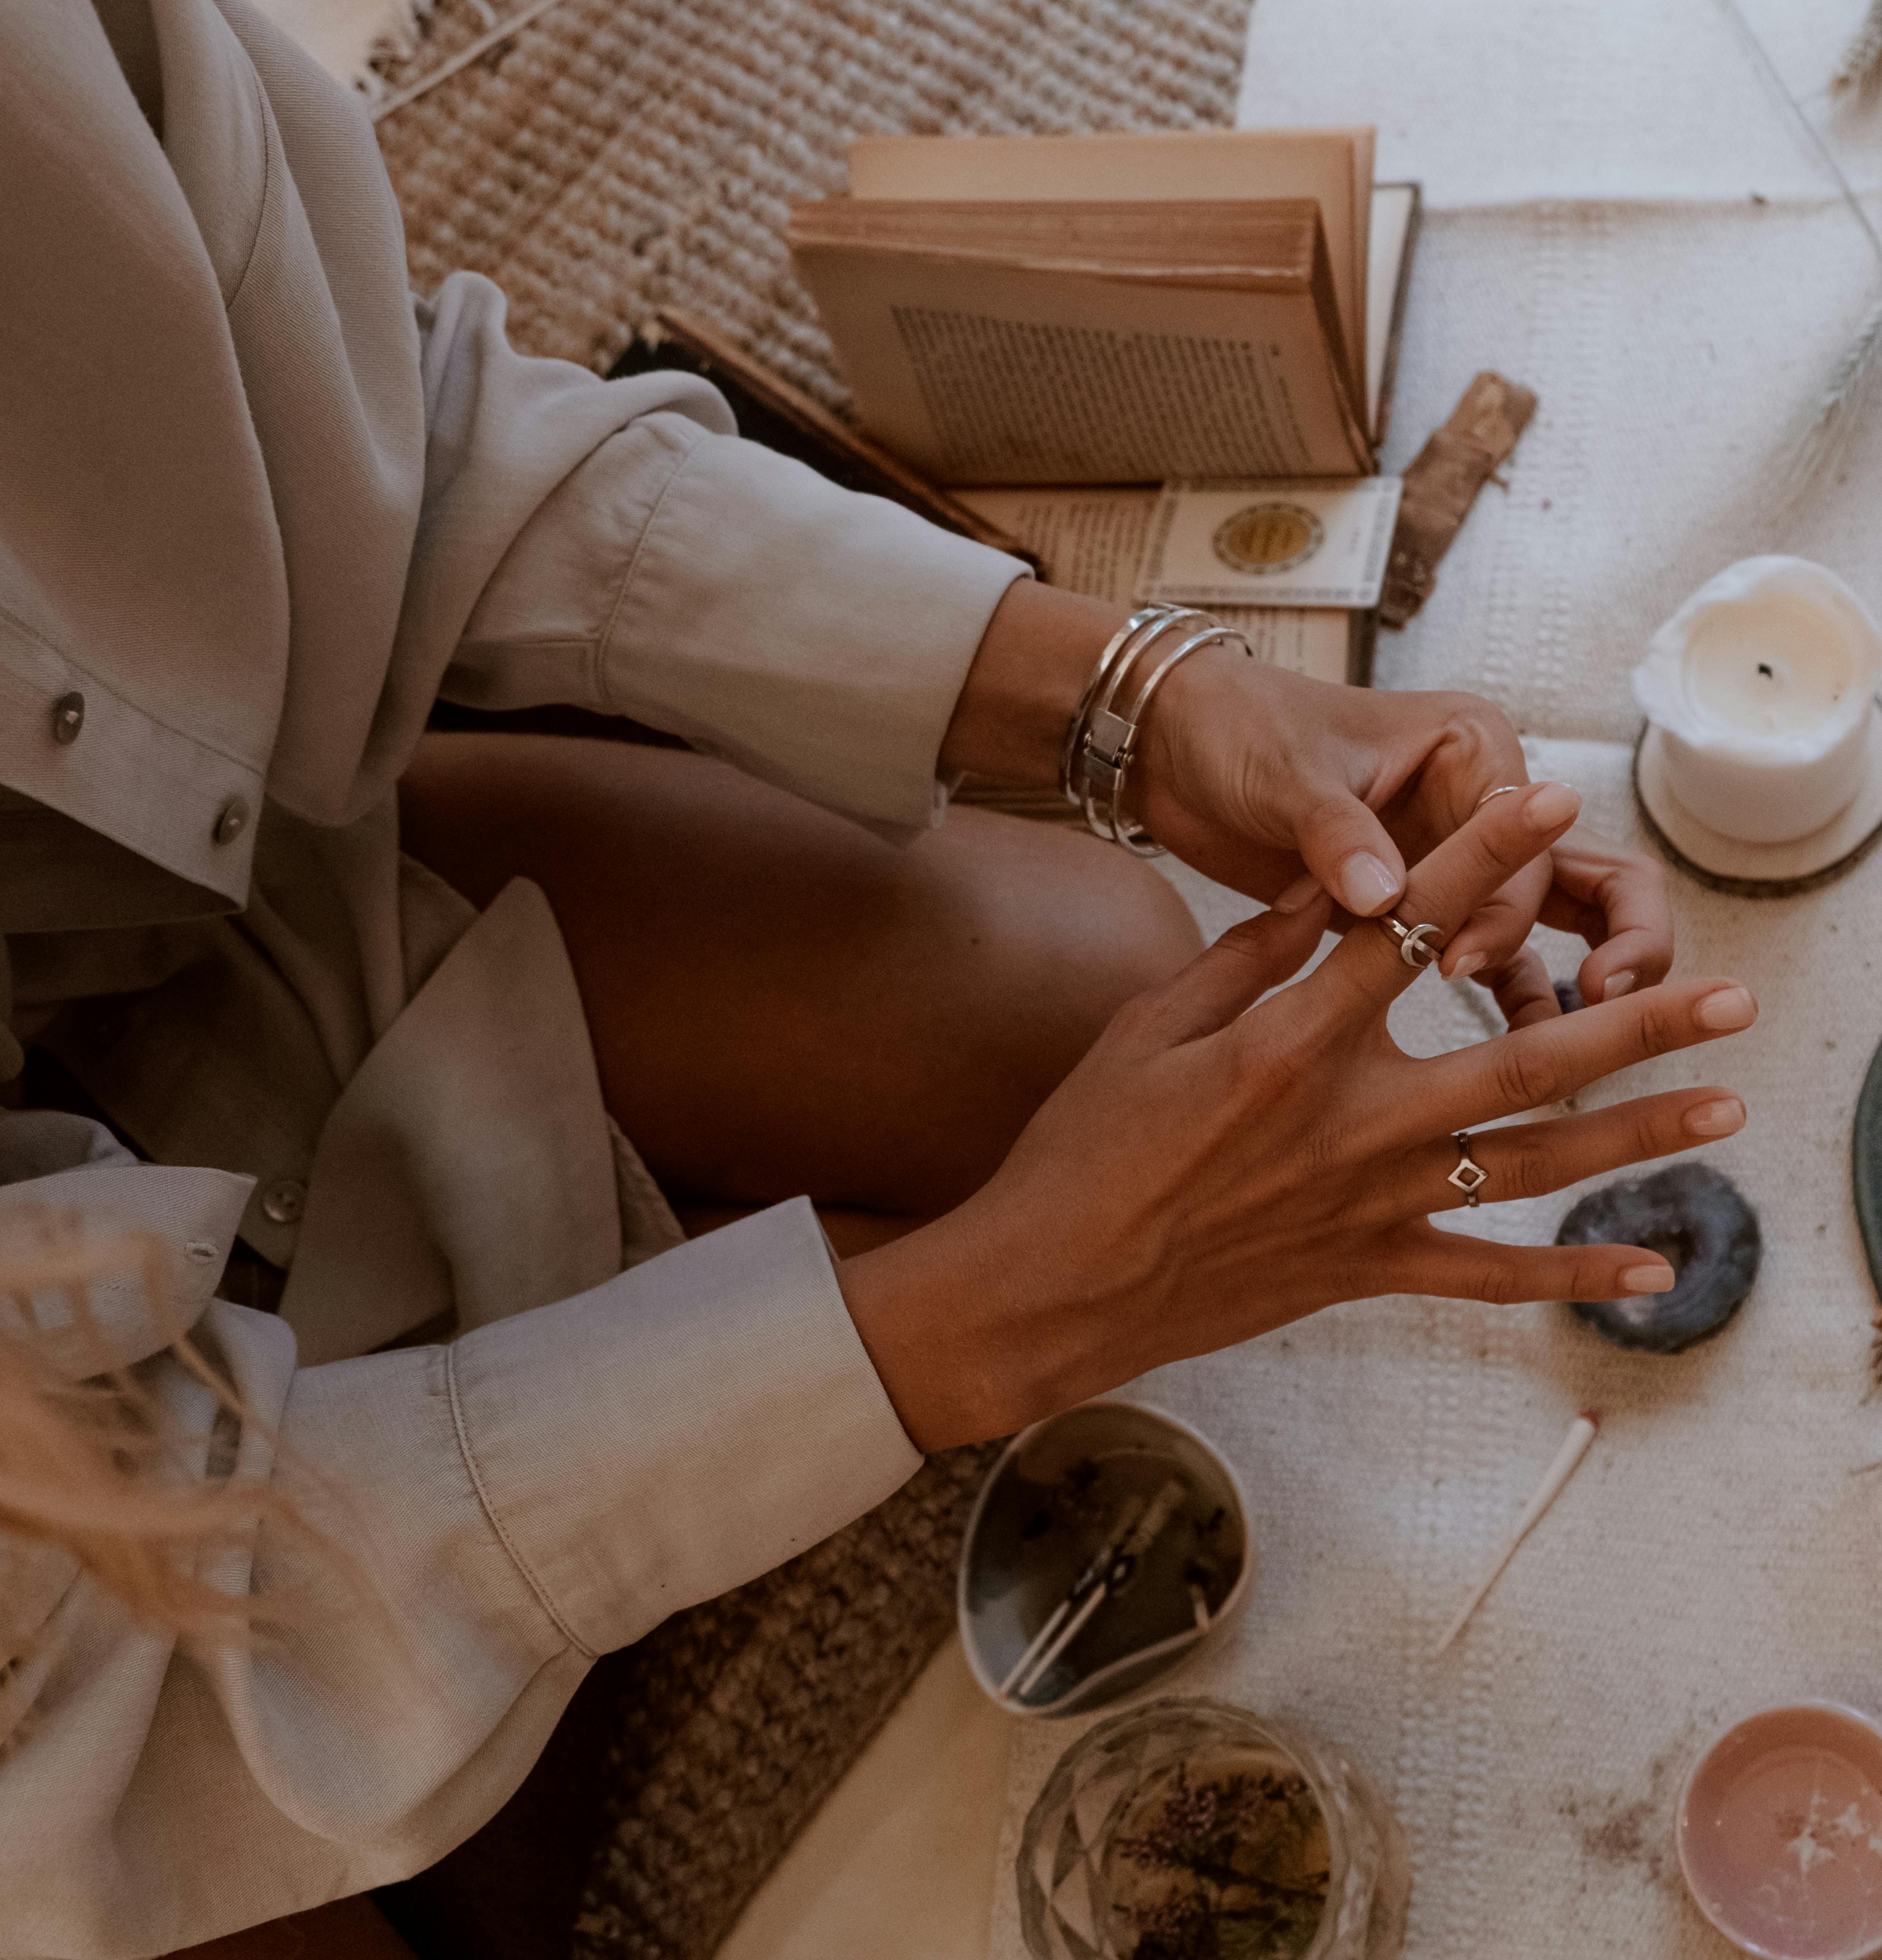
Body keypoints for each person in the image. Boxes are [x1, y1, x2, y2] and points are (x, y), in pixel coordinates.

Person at [0, 2, 1759, 1954]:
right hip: (59, 1674)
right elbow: (103, 1715)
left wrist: (1134, 696)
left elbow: (354, 424)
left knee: (1092, 989)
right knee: (443, 1875)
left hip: (186, 940)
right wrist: (980, 1323)